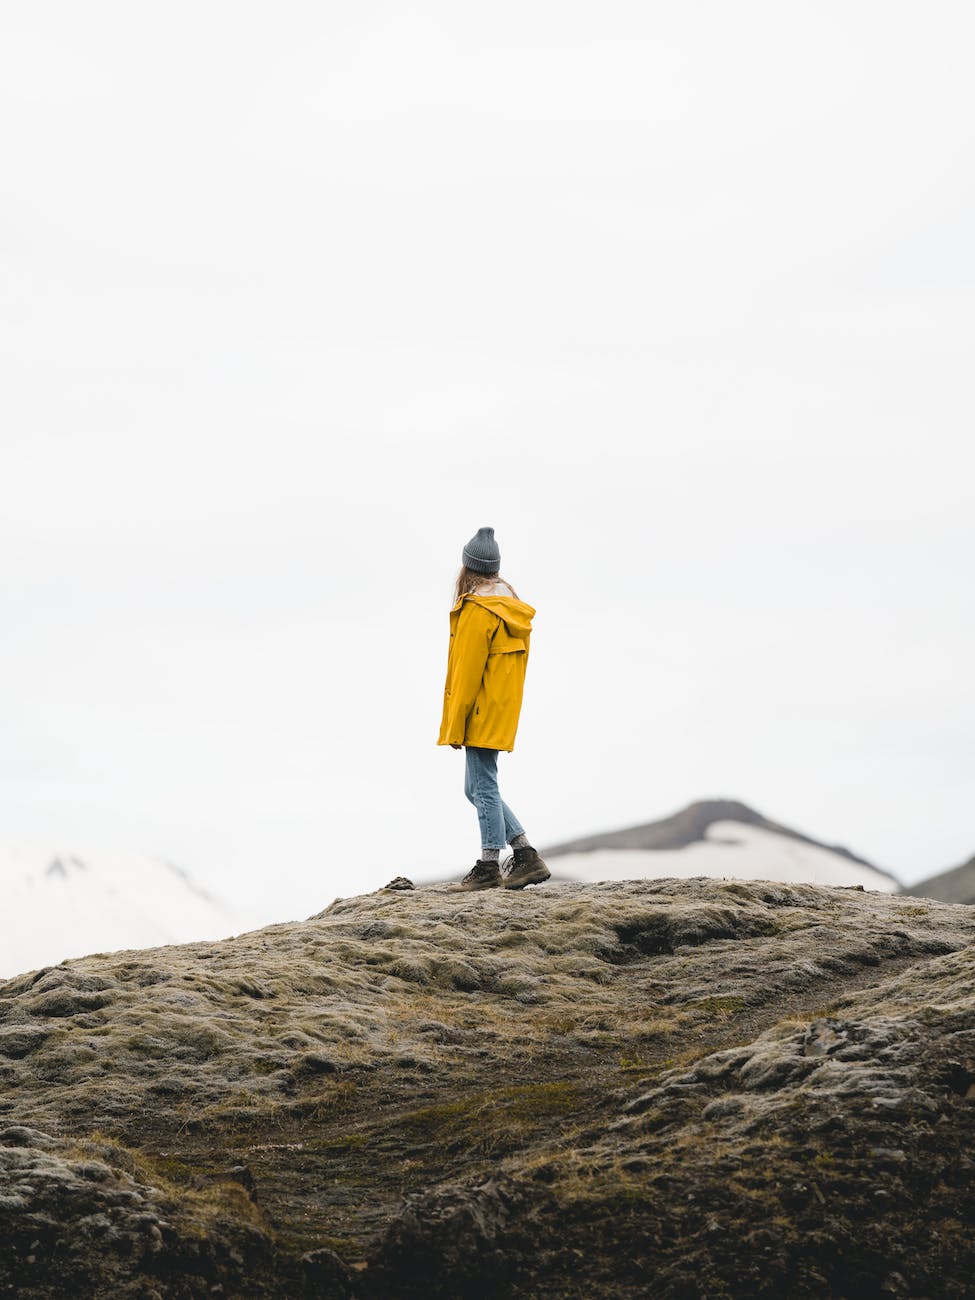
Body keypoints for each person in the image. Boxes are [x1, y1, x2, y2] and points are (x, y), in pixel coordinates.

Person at [438, 526, 551, 892]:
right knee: (476, 787)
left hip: (480, 708)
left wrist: (456, 723)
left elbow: (468, 673)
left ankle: (488, 865)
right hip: (501, 707)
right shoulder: (510, 607)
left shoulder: (478, 610)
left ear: (468, 568)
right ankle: (524, 853)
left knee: (483, 787)